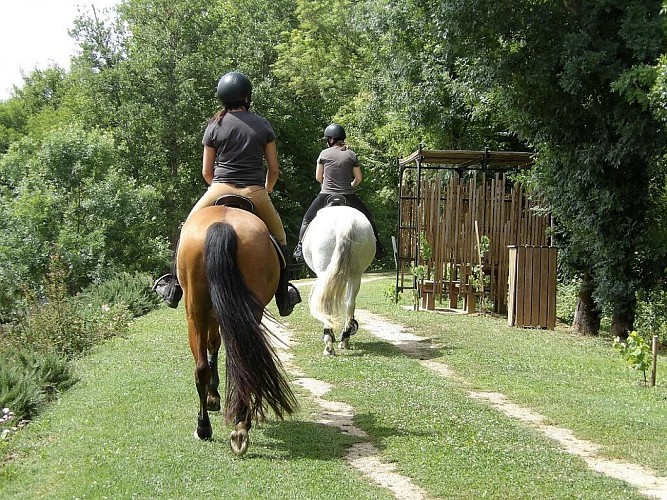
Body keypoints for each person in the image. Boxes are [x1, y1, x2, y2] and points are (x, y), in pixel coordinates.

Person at [154, 71, 301, 316]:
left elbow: (206, 171)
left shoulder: (215, 125)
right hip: (254, 191)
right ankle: (283, 295)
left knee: (187, 229)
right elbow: (274, 169)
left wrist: (217, 186)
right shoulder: (263, 124)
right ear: (247, 96)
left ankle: (175, 286)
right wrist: (267, 189)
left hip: (219, 187)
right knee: (281, 238)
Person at [292, 123, 385, 263]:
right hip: (348, 195)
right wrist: (350, 186)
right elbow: (359, 178)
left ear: (330, 140)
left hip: (326, 195)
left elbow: (318, 177)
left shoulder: (324, 154)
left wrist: (326, 185)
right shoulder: (351, 154)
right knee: (368, 217)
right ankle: (378, 247)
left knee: (307, 219)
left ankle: (299, 247)